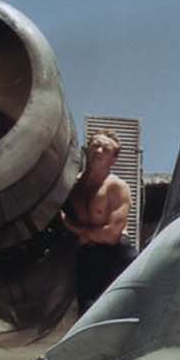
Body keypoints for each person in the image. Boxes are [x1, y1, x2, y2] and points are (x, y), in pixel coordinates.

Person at [63, 132, 137, 311]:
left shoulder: (117, 187)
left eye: (106, 148)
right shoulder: (71, 186)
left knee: (122, 315)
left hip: (116, 256)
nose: (99, 150)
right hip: (87, 260)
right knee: (87, 316)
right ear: (87, 150)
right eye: (95, 145)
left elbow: (111, 235)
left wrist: (76, 230)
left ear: (113, 159)